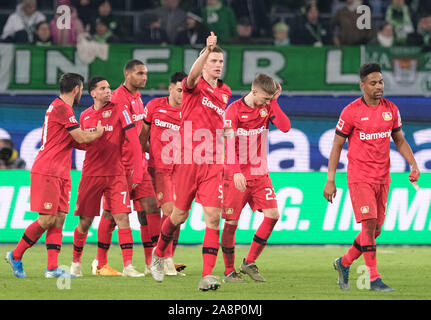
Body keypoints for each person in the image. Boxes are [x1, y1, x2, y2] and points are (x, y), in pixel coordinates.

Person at [323, 63, 421, 292]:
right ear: (363, 85)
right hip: (360, 177)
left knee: (375, 231)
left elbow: (399, 140)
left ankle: (344, 262)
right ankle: (374, 278)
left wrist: (414, 164)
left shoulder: (391, 109)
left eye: (381, 82)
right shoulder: (351, 111)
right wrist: (330, 179)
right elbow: (337, 145)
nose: (379, 87)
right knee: (368, 227)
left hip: (383, 177)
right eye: (374, 83)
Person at [150, 32, 232, 291]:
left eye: (221, 61)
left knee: (213, 218)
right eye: (214, 61)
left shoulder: (226, 91)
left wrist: (225, 131)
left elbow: (215, 121)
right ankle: (159, 253)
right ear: (205, 62)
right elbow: (193, 75)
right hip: (187, 160)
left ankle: (207, 275)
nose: (218, 65)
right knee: (178, 216)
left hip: (211, 162)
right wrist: (205, 51)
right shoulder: (193, 85)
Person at [5, 73, 104, 279]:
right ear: (76, 89)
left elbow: (76, 142)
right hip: (48, 170)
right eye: (81, 89)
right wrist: (98, 134)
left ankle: (52, 268)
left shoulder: (62, 109)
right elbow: (81, 137)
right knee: (47, 218)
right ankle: (15, 255)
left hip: (61, 171)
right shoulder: (61, 108)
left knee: (58, 219)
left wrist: (93, 138)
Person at [84, 60, 161, 276]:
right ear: (127, 75)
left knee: (151, 208)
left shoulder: (137, 98)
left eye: (145, 73)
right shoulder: (116, 98)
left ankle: (152, 262)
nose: (144, 77)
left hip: (139, 164)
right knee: (110, 215)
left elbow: (139, 135)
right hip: (120, 167)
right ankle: (100, 263)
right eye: (140, 73)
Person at [70, 77, 145, 277]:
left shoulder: (120, 110)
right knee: (84, 223)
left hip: (116, 174)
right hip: (91, 175)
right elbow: (81, 143)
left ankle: (128, 266)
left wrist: (138, 170)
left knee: (122, 218)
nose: (108, 91)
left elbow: (134, 142)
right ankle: (76, 262)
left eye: (109, 87)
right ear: (93, 93)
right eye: (103, 88)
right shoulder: (84, 116)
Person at [221, 74, 291, 283]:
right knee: (231, 223)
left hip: (260, 173)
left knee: (273, 215)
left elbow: (286, 127)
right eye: (265, 99)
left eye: (270, 99)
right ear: (253, 91)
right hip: (236, 175)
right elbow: (228, 145)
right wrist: (235, 172)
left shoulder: (268, 107)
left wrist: (274, 102)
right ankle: (228, 271)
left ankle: (249, 261)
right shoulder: (233, 111)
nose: (267, 103)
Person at [141, 71, 188, 276]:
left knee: (179, 216)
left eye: (186, 91)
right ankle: (164, 259)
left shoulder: (190, 111)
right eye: (179, 90)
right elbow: (142, 136)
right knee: (169, 212)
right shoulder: (154, 106)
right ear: (170, 88)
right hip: (160, 170)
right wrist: (138, 162)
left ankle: (168, 257)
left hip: (183, 171)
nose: (182, 95)